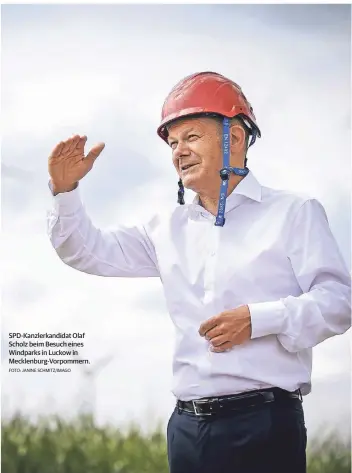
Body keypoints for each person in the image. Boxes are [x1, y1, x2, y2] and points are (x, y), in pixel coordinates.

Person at [46, 71, 351, 473]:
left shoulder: (294, 212)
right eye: (173, 143)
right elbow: (85, 251)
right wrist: (64, 190)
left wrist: (258, 319)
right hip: (187, 429)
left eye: (191, 137)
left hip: (264, 425)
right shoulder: (164, 228)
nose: (179, 152)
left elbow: (338, 302)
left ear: (235, 138)